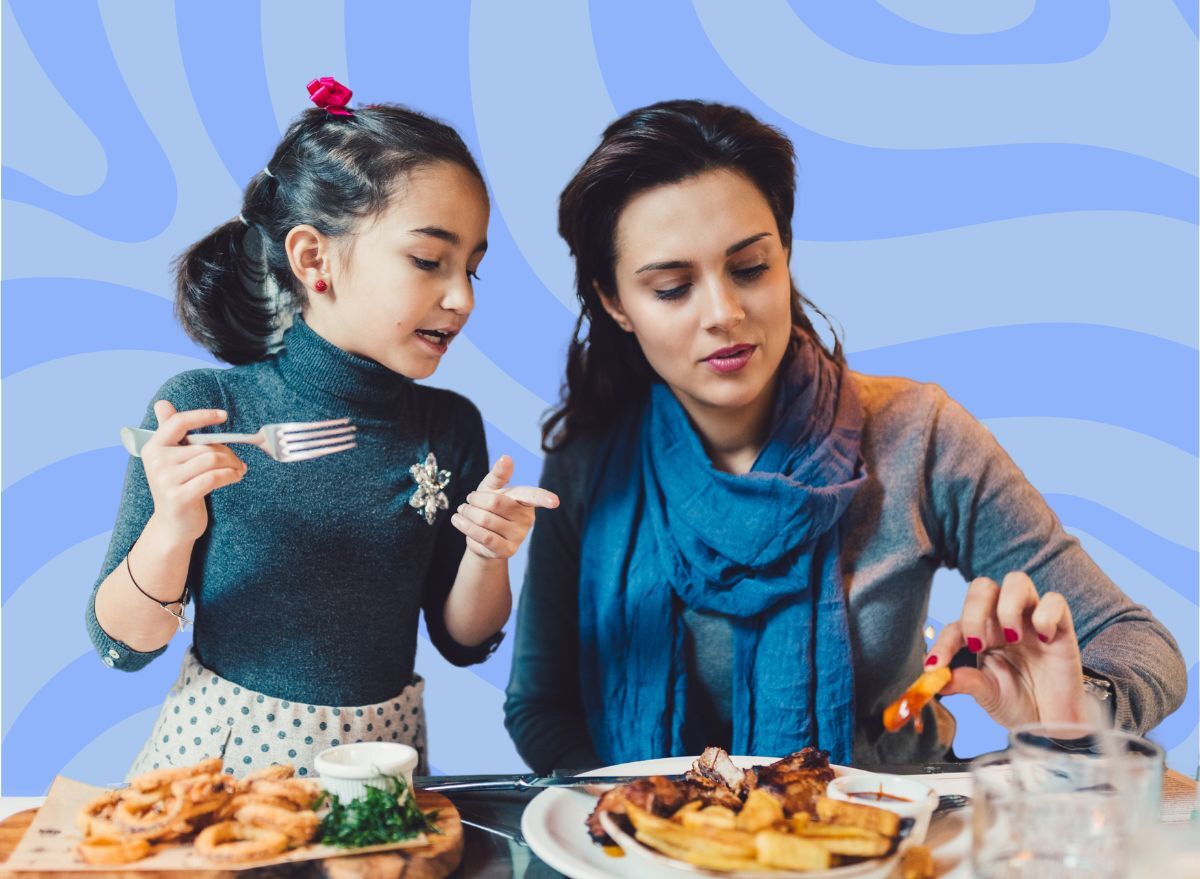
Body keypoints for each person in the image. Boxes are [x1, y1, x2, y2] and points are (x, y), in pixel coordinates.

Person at [504, 99, 1186, 772]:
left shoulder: (919, 433)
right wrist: (639, 824)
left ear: (786, 253)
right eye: (673, 287)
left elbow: (1140, 643)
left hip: (887, 843)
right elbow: (539, 705)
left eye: (750, 268)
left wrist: (1071, 714)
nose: (724, 312)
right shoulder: (589, 464)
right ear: (616, 301)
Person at [86, 79, 557, 778]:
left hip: (379, 766)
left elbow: (463, 638)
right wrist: (171, 530)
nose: (459, 298)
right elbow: (121, 644)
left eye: (472, 270)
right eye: (429, 260)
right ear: (313, 259)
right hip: (220, 774)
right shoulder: (207, 409)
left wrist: (489, 553)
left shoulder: (447, 425)